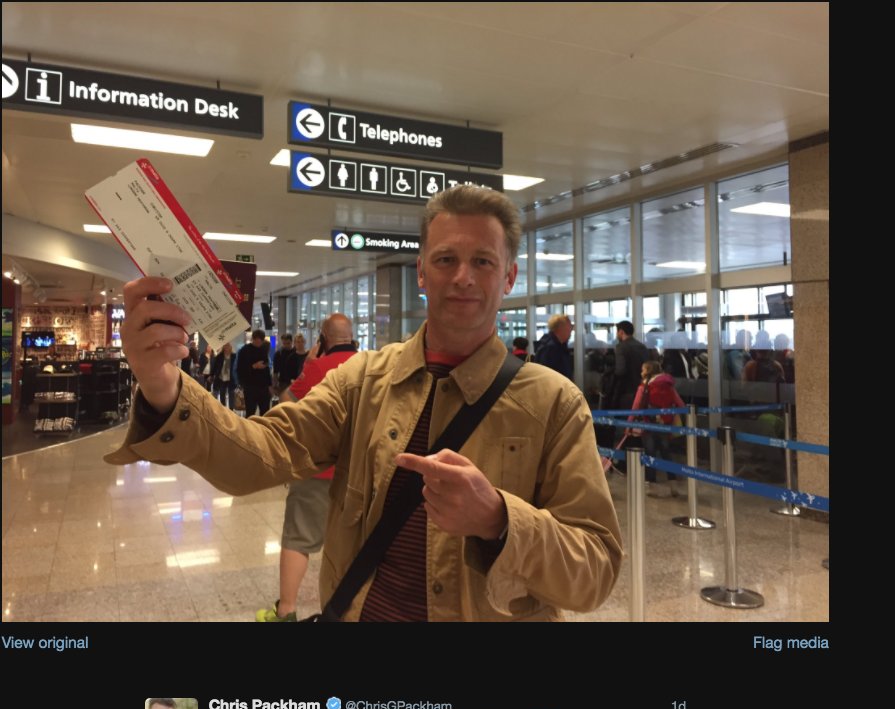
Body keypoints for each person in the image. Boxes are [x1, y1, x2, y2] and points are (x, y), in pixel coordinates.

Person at [108, 184, 622, 622]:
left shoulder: (554, 404)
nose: (463, 276)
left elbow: (595, 571)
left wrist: (499, 520)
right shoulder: (362, 383)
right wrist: (162, 383)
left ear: (508, 276)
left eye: (483, 261)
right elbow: (262, 451)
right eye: (446, 259)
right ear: (421, 272)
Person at [257, 314, 358, 622]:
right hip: (359, 472)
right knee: (353, 542)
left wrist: (308, 366)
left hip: (317, 468)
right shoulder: (369, 365)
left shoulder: (317, 367)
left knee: (299, 537)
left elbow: (288, 401)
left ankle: (285, 611)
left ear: (323, 339)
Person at [628, 361, 685, 498]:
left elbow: (636, 406)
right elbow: (680, 404)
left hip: (648, 424)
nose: (641, 372)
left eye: (643, 370)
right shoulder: (668, 385)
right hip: (664, 424)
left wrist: (629, 424)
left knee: (650, 454)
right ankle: (673, 484)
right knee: (666, 453)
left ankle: (651, 485)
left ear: (648, 371)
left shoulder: (644, 386)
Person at [611, 320, 648, 411]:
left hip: (626, 390)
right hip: (641, 388)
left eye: (617, 332)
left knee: (624, 416)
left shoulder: (621, 347)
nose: (617, 335)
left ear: (621, 332)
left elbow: (620, 370)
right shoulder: (642, 346)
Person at [235, 329, 272, 416]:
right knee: (250, 412)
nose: (258, 343)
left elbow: (266, 369)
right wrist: (254, 366)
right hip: (250, 386)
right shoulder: (244, 350)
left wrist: (270, 385)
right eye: (257, 341)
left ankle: (263, 425)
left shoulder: (263, 349)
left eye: (260, 341)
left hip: (263, 386)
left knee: (265, 412)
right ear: (253, 339)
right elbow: (240, 369)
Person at [533, 314, 573, 379]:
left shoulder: (560, 346)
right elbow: (546, 376)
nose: (571, 330)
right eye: (569, 327)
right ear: (560, 328)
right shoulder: (550, 349)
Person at [211, 342, 237, 410]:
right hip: (221, 378)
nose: (227, 347)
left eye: (228, 345)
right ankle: (223, 409)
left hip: (231, 378)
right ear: (223, 347)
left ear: (231, 347)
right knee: (222, 394)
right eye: (225, 345)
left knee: (231, 394)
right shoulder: (219, 356)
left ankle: (231, 409)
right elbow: (215, 366)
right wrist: (211, 375)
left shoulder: (234, 356)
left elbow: (237, 367)